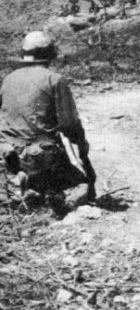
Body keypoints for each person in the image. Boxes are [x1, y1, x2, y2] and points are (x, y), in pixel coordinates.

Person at [0, 31, 95, 216]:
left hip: (11, 152)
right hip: (42, 155)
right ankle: (64, 204)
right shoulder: (54, 79)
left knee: (40, 177)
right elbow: (69, 124)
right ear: (50, 53)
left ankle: (24, 181)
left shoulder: (8, 79)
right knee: (83, 185)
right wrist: (81, 144)